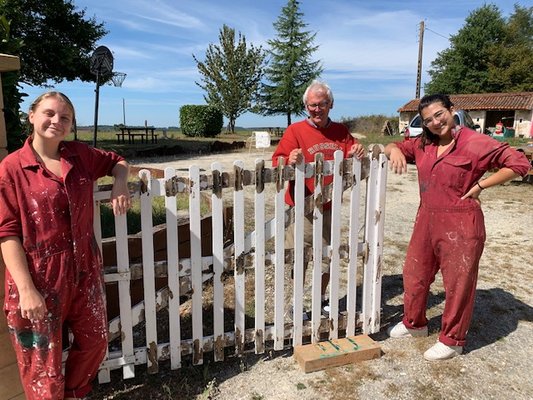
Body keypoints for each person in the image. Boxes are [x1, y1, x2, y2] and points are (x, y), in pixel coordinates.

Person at [0, 92, 131, 399]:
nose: (56, 121)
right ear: (31, 116)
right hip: (38, 278)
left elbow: (118, 161)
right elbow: (7, 234)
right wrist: (27, 289)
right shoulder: (11, 169)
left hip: (85, 271)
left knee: (96, 340)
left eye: (65, 117)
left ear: (72, 125)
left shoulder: (79, 155)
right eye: (48, 113)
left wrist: (120, 182)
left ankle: (74, 394)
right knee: (41, 365)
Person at [385, 94, 530, 361]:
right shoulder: (423, 143)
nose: (435, 122)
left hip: (461, 221)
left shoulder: (475, 142)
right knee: (414, 274)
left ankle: (452, 340)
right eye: (428, 120)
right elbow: (392, 145)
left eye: (439, 114)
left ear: (452, 110)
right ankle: (414, 324)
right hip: (426, 218)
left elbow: (519, 163)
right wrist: (392, 149)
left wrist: (481, 186)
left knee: (458, 283)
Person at [271, 80, 365, 318]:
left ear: (330, 104)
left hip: (329, 206)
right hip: (300, 207)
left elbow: (355, 156)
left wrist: (357, 153)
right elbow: (277, 162)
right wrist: (289, 158)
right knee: (299, 256)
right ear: (306, 106)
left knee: (326, 256)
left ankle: (321, 300)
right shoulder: (295, 131)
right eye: (312, 105)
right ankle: (297, 303)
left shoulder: (341, 132)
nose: (316, 109)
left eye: (321, 104)